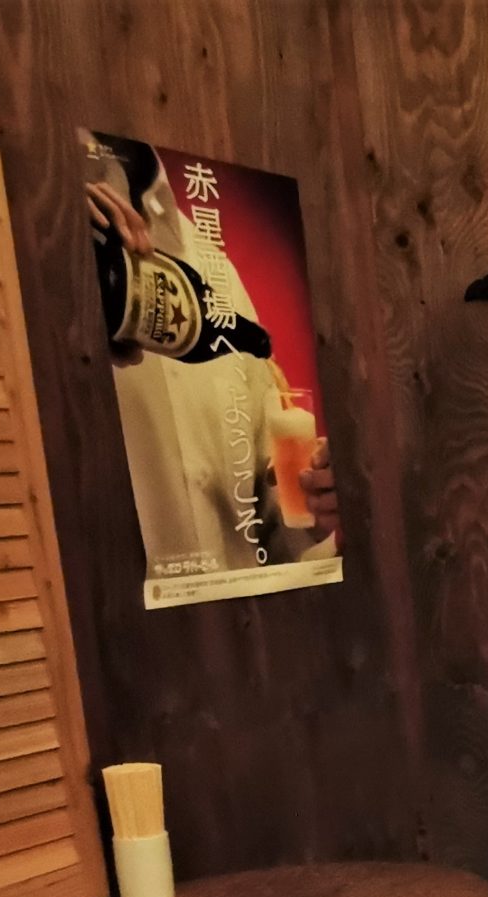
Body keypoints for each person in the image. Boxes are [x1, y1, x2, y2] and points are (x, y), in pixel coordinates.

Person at [83, 131, 337, 575]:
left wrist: (317, 508)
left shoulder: (216, 273)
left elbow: (267, 526)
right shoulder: (39, 243)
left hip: (238, 615)